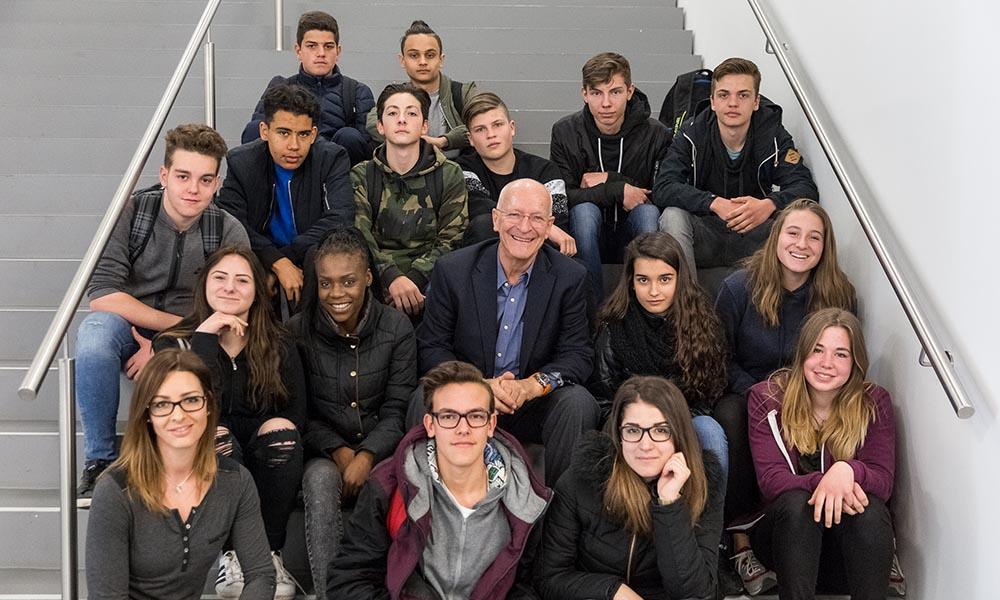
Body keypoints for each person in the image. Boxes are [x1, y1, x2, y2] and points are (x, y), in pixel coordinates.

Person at [76, 124, 250, 505]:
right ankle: (99, 462)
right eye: (183, 176)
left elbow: (234, 306)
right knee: (94, 335)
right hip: (131, 328)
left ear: (217, 184)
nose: (193, 189)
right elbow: (102, 296)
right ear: (164, 175)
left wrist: (166, 345)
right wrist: (164, 332)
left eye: (205, 180)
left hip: (195, 334)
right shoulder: (131, 213)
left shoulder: (226, 229)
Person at [415, 178, 599, 486]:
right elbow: (432, 347)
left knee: (577, 402)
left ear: (549, 226)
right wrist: (478, 386)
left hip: (530, 403)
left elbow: (578, 355)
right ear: (496, 220)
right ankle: (429, 505)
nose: (525, 227)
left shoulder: (571, 277)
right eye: (514, 215)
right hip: (467, 396)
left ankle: (563, 510)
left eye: (536, 218)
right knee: (421, 397)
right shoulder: (453, 270)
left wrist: (530, 386)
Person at [714, 199, 856, 593]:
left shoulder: (838, 293)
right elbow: (718, 359)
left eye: (814, 237)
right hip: (746, 391)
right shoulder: (737, 288)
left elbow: (844, 360)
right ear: (776, 236)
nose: (802, 244)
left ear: (825, 246)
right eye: (793, 233)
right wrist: (762, 394)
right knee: (730, 416)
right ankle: (740, 540)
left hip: (814, 393)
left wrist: (804, 395)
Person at [153, 246, 305, 599]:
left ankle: (270, 553)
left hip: (265, 453)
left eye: (242, 280)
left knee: (282, 431)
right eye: (220, 278)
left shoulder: (280, 341)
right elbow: (192, 412)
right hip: (206, 449)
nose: (230, 288)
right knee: (215, 434)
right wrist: (205, 338)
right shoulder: (173, 342)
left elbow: (297, 414)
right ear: (205, 284)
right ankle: (233, 555)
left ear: (258, 290)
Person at [327, 360, 550, 599]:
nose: (463, 428)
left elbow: (529, 586)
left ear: (491, 424)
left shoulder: (525, 499)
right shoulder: (389, 485)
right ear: (430, 425)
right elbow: (348, 580)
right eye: (449, 416)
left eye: (475, 416)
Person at [286, 228, 417, 598]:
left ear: (368, 278)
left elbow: (398, 408)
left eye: (348, 281)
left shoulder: (397, 327)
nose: (337, 293)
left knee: (397, 479)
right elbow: (299, 412)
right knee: (319, 480)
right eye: (326, 283)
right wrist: (340, 451)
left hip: (383, 448)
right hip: (323, 451)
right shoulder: (296, 331)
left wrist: (367, 454)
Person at [85, 349, 275, 599]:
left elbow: (261, 575)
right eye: (162, 404)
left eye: (191, 400)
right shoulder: (116, 490)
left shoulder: (235, 481)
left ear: (208, 405)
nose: (178, 415)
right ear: (148, 414)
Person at [747, 308, 897, 600]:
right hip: (785, 546)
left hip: (846, 554)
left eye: (841, 354)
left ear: (855, 361)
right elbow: (771, 481)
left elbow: (883, 481)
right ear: (802, 353)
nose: (826, 363)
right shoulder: (767, 398)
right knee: (796, 503)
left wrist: (848, 470)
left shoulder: (874, 401)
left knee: (871, 511)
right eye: (817, 350)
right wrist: (826, 481)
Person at [537, 376, 724, 600]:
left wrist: (669, 505)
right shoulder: (583, 479)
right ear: (619, 435)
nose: (646, 445)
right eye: (633, 431)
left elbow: (698, 594)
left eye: (661, 430)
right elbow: (550, 578)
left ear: (679, 435)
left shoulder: (703, 484)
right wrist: (613, 590)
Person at [653, 57, 819, 277]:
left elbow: (806, 188)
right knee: (672, 216)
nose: (733, 103)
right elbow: (663, 187)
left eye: (743, 95)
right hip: (704, 231)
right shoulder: (692, 132)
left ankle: (775, 297)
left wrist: (769, 204)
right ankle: (687, 298)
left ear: (756, 102)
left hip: (754, 233)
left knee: (791, 221)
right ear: (713, 102)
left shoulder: (773, 135)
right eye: (724, 95)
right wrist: (712, 202)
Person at [593, 232, 729, 475]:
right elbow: (604, 399)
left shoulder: (703, 321)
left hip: (685, 420)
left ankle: (712, 501)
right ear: (631, 282)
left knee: (709, 430)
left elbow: (709, 394)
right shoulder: (613, 326)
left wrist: (669, 427)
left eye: (664, 279)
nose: (654, 291)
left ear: (680, 278)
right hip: (632, 425)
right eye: (643, 280)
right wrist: (644, 427)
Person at [219, 83, 354, 307]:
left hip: (309, 254)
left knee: (320, 258)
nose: (294, 145)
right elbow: (232, 221)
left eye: (303, 134)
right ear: (264, 131)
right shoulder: (241, 162)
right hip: (261, 256)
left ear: (313, 134)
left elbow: (340, 218)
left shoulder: (331, 158)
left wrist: (285, 258)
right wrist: (274, 261)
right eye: (284, 133)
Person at [550, 51, 671, 300]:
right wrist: (617, 190)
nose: (606, 103)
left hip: (633, 231)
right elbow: (562, 198)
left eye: (615, 92)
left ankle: (643, 304)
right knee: (584, 212)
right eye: (597, 93)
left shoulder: (656, 134)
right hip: (585, 235)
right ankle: (593, 309)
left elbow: (662, 193)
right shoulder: (565, 131)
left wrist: (611, 178)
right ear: (584, 94)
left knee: (647, 213)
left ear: (630, 91)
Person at [353, 82, 468, 318]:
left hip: (430, 280)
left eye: (412, 113)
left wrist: (414, 280)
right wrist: (391, 278)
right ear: (380, 126)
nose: (402, 120)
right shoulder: (362, 174)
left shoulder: (449, 173)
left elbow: (452, 238)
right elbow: (360, 234)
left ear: (425, 125)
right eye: (392, 113)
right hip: (377, 278)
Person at [240, 11, 376, 165]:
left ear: (338, 51)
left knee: (350, 136)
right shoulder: (280, 87)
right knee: (254, 129)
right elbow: (252, 138)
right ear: (298, 51)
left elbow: (369, 149)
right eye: (312, 46)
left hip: (339, 171)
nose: (321, 53)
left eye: (328, 46)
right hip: (289, 166)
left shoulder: (358, 92)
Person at [457, 91, 576, 254]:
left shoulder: (545, 171)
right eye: (480, 129)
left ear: (512, 128)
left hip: (538, 255)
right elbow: (477, 208)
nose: (491, 135)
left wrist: (548, 229)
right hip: (488, 257)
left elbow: (559, 222)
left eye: (497, 125)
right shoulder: (463, 169)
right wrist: (543, 225)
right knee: (483, 225)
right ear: (470, 139)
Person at [366, 20, 478, 158]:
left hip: (459, 166)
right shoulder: (396, 95)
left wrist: (444, 141)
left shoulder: (463, 92)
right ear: (402, 60)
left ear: (441, 59)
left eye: (430, 55)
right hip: (408, 167)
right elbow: (373, 122)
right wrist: (414, 140)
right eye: (414, 55)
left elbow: (483, 124)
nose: (423, 62)